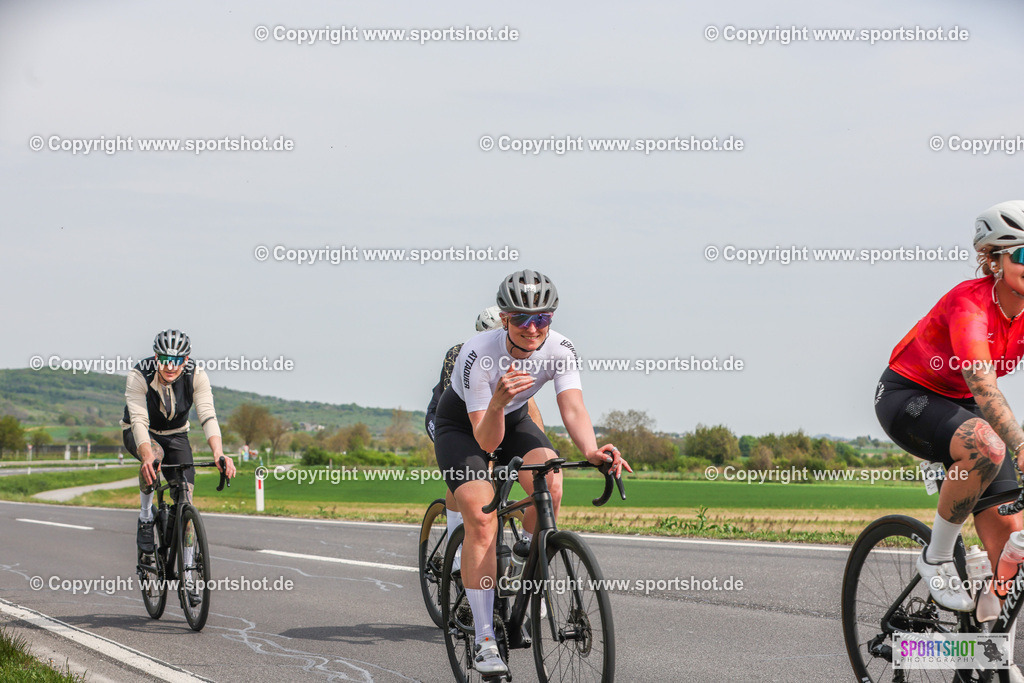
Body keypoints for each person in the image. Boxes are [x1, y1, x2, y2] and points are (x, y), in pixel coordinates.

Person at [433, 269, 631, 676]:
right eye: (521, 318)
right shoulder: (478, 353)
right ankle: (485, 638)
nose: (532, 327)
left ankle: (526, 551)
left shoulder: (560, 348)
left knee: (552, 482)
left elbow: (572, 406)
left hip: (514, 417)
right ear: (505, 318)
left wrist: (591, 450)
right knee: (482, 519)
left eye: (541, 318)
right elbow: (486, 441)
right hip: (466, 426)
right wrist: (497, 401)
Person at [876, 201, 1024, 616]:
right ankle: (936, 557)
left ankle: (989, 632)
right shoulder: (969, 304)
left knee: (1009, 539)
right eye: (1023, 254)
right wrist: (1020, 444)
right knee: (986, 446)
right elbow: (983, 385)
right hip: (909, 396)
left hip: (963, 405)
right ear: (994, 260)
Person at [426, 306, 545, 576]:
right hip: (453, 419)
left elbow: (530, 407)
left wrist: (541, 449)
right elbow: (468, 410)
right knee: (465, 475)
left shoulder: (520, 357)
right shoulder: (462, 353)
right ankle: (456, 552)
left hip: (494, 420)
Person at [120, 329, 236, 554]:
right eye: (165, 360)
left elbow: (208, 416)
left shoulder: (196, 375)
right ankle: (145, 516)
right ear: (156, 357)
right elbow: (139, 421)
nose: (171, 366)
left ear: (186, 360)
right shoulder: (139, 375)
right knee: (154, 457)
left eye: (177, 360)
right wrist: (147, 456)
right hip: (141, 432)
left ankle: (189, 564)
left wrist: (218, 453)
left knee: (187, 496)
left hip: (176, 434)